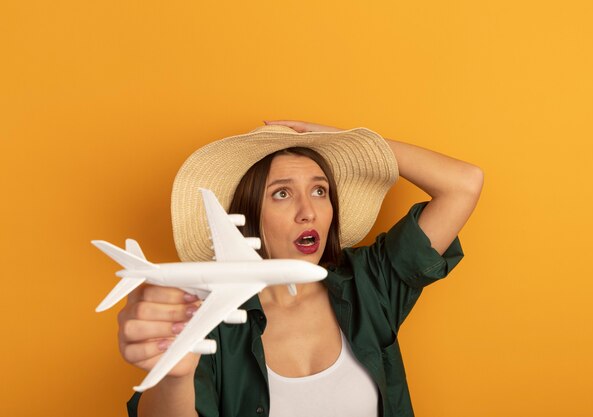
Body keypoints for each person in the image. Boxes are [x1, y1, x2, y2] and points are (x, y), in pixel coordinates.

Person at [121, 120, 483, 417]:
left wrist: (346, 141)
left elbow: (464, 184)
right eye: (282, 193)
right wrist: (174, 376)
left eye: (320, 191)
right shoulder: (209, 320)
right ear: (248, 216)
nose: (307, 211)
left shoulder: (370, 282)